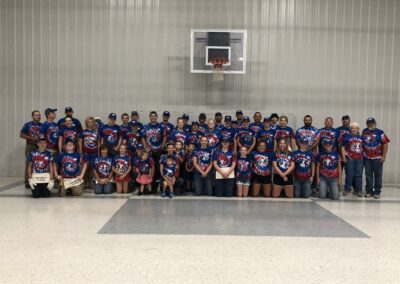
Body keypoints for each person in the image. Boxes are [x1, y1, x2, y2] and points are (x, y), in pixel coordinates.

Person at [362, 117, 390, 199]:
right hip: (367, 158)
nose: (370, 124)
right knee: (368, 175)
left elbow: (385, 144)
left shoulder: (380, 132)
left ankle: (377, 191)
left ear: (375, 123)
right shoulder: (364, 131)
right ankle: (369, 191)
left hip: (378, 158)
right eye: (368, 123)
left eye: (372, 123)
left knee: (378, 175)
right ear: (366, 124)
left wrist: (384, 156)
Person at [141, 111, 165, 193]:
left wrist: (162, 146)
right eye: (152, 116)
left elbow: (165, 136)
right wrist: (145, 148)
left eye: (155, 116)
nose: (153, 117)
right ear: (149, 117)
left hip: (158, 151)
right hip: (149, 151)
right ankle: (147, 186)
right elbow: (143, 138)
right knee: (149, 168)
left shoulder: (161, 126)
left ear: (157, 117)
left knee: (158, 169)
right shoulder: (145, 127)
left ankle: (156, 186)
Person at [20, 110, 42, 188]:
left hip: (39, 147)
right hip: (30, 146)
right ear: (32, 116)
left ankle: (37, 180)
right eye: (36, 115)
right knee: (29, 163)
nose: (38, 116)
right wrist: (31, 138)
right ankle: (28, 182)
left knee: (38, 164)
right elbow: (21, 135)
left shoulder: (42, 125)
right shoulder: (28, 125)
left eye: (39, 115)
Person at [341, 122, 364, 197]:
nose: (354, 129)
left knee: (358, 175)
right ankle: (347, 189)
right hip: (350, 158)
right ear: (350, 129)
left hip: (359, 159)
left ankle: (358, 190)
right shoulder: (347, 137)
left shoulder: (361, 137)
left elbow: (364, 147)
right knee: (349, 174)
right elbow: (343, 147)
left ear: (358, 130)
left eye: (356, 128)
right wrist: (344, 157)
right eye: (353, 128)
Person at [79, 116, 100, 190]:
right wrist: (81, 153)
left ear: (93, 123)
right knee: (85, 168)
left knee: (92, 168)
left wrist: (98, 153)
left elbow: (98, 144)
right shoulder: (83, 132)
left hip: (94, 153)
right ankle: (85, 183)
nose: (90, 123)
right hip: (85, 153)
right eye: (88, 122)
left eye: (91, 122)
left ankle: (90, 183)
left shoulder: (96, 132)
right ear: (86, 123)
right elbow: (80, 142)